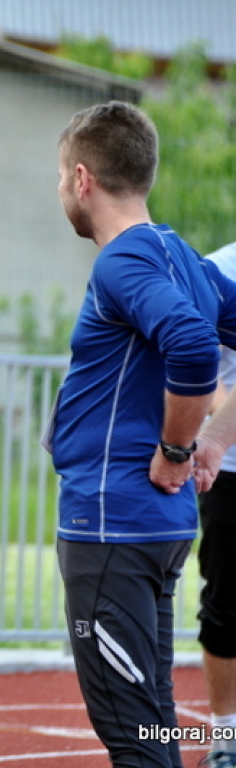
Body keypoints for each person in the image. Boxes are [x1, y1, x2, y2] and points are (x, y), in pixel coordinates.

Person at [48, 100, 236, 768]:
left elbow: (188, 344)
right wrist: (214, 437)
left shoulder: (121, 262)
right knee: (154, 723)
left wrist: (182, 446)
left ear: (81, 179)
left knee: (134, 733)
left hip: (113, 523)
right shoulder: (186, 259)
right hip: (152, 526)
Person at [194, 241, 236, 768]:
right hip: (229, 467)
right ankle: (226, 736)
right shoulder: (218, 270)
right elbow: (199, 371)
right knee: (226, 602)